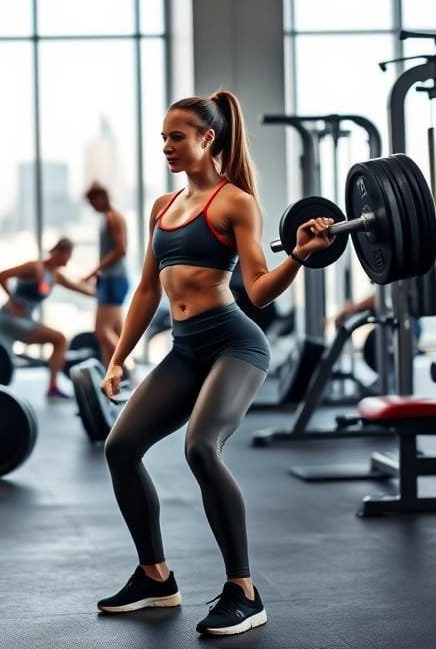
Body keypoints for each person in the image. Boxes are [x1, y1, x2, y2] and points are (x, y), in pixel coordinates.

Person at [95, 90, 334, 637]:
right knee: (121, 446)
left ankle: (244, 592)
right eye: (162, 138)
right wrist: (117, 358)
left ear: (208, 138)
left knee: (201, 448)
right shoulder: (163, 206)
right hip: (184, 350)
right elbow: (145, 292)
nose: (167, 147)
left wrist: (297, 255)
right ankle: (156, 577)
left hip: (234, 344)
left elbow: (260, 290)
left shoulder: (235, 202)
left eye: (176, 137)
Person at [0, 237, 96, 399]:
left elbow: (80, 289)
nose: (69, 259)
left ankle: (52, 387)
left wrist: (101, 294)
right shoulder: (35, 267)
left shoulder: (55, 276)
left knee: (59, 340)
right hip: (9, 317)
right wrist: (13, 300)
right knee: (60, 339)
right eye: (68, 255)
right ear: (61, 252)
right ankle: (53, 388)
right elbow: (1, 276)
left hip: (24, 320)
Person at [85, 182, 129, 365]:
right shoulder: (108, 217)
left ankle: (128, 368)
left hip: (113, 279)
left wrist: (95, 270)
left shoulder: (113, 217)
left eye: (92, 202)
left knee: (102, 332)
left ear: (100, 197)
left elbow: (121, 249)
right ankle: (110, 382)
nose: (92, 207)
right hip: (111, 279)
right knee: (116, 334)